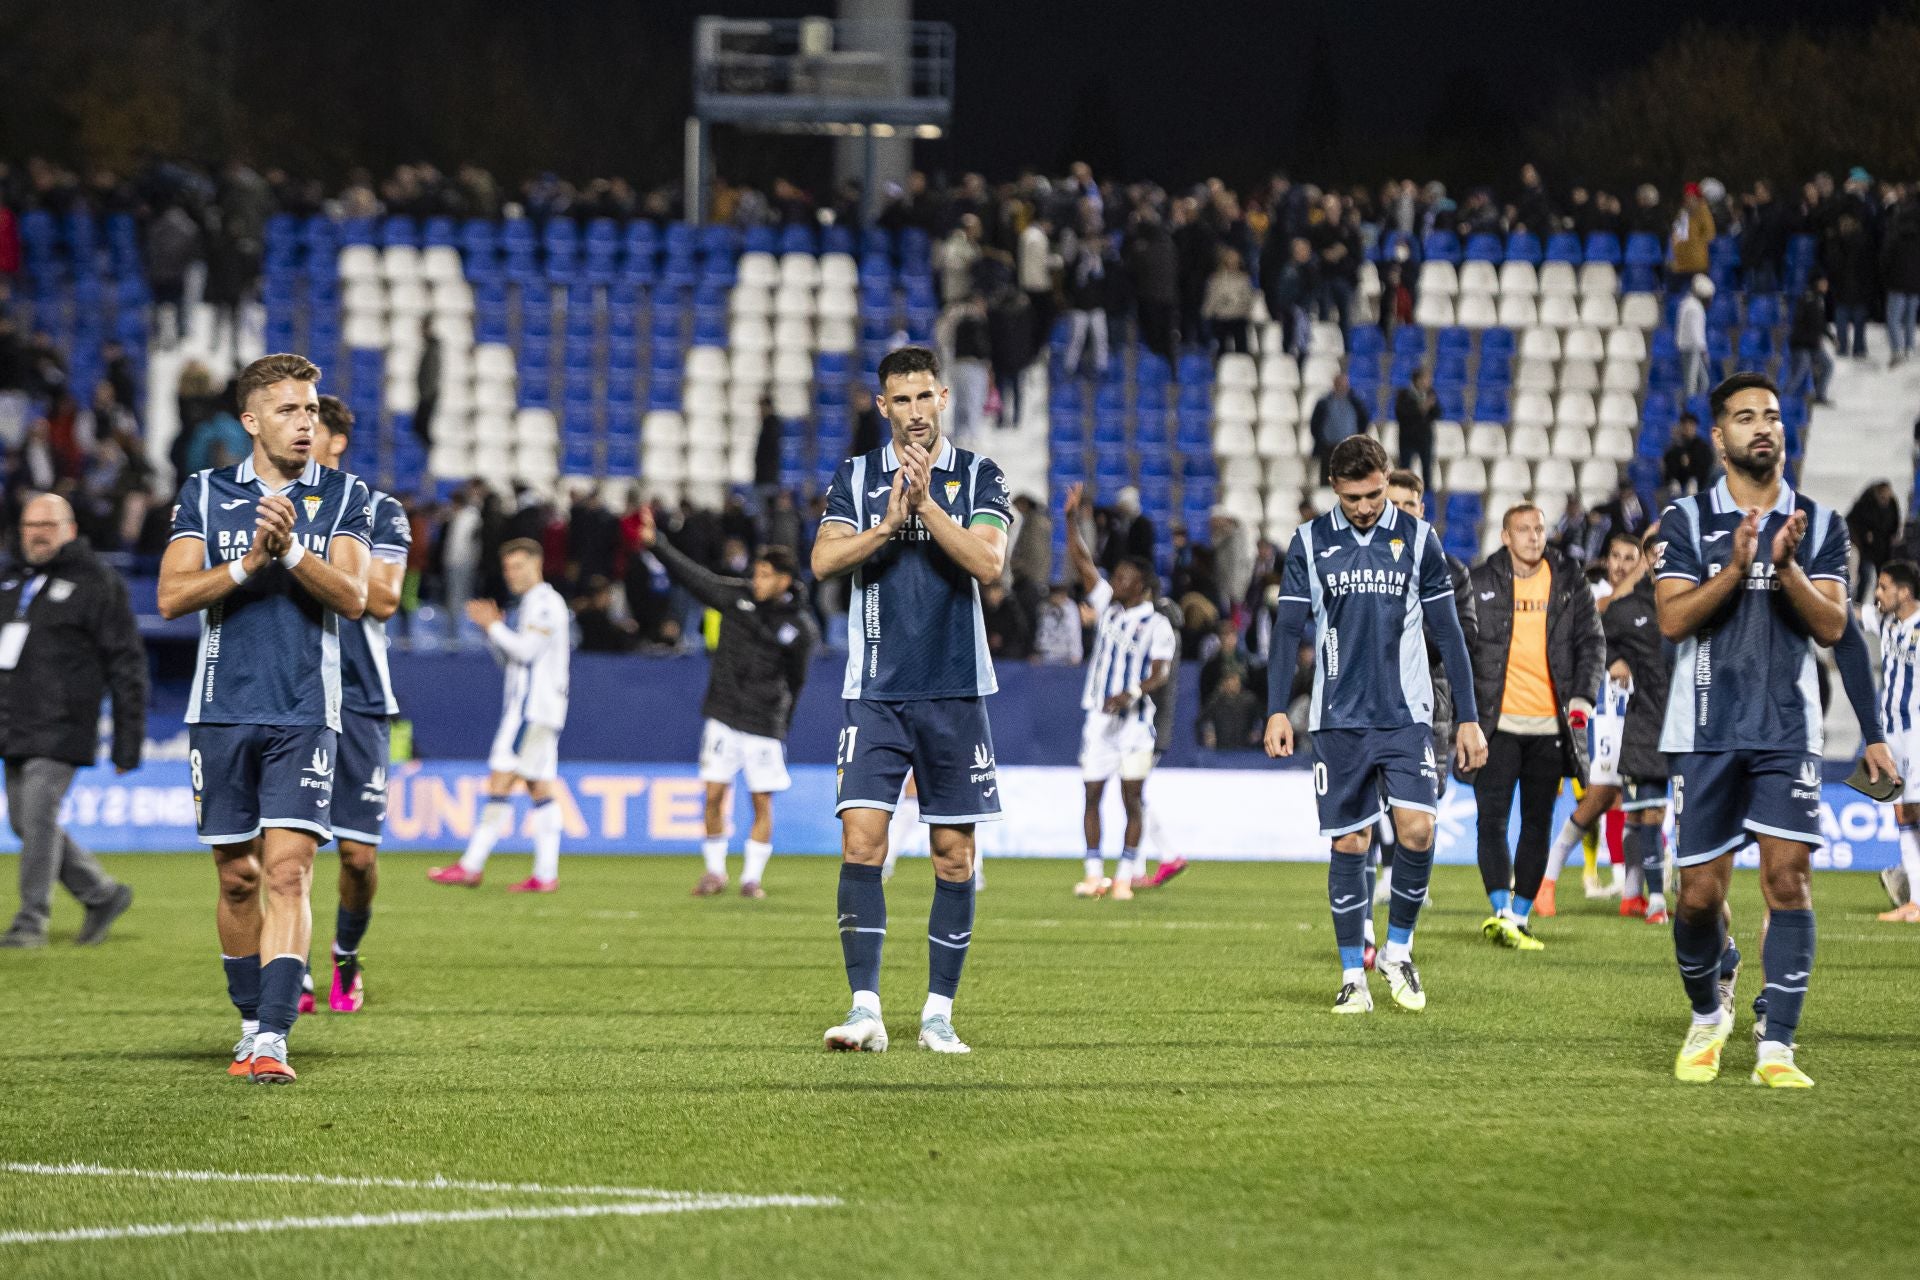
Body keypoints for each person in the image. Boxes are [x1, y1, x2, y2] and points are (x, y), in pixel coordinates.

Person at [1655, 372, 1895, 1088]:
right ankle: (1708, 1013)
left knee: (1788, 879)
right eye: (1745, 417)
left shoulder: (1819, 525)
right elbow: (1672, 619)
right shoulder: (1685, 520)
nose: (1763, 426)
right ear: (1720, 438)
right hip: (1703, 730)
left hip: (1788, 730)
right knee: (1698, 895)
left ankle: (1777, 1046)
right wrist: (1736, 569)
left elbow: (1832, 626)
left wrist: (1783, 568)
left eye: (1773, 416)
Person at [157, 353, 374, 1084]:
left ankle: (274, 1038)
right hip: (220, 711)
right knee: (238, 878)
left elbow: (354, 596)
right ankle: (249, 1020)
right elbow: (170, 596)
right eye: (288, 410)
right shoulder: (204, 493)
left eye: (311, 409)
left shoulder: (344, 495)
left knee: (287, 873)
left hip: (306, 712)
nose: (305, 422)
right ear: (251, 421)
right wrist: (252, 562)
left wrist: (294, 552)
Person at [810, 345, 1012, 1056]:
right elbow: (823, 559)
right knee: (861, 840)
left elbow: (990, 562)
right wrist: (889, 527)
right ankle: (865, 1009)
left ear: (944, 399)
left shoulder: (979, 473)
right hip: (875, 693)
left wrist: (926, 505)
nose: (916, 412)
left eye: (926, 397)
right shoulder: (857, 477)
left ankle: (937, 1014)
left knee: (953, 855)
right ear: (883, 405)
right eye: (902, 400)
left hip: (956, 692)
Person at [1264, 435, 1487, 1014]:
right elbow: (1288, 632)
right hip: (1336, 720)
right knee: (1350, 841)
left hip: (1405, 716)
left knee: (1417, 830)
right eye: (1353, 495)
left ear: (1387, 478)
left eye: (1374, 492)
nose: (1365, 506)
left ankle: (1399, 950)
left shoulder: (1417, 540)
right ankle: (1351, 978)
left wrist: (1467, 717)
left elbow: (1449, 635)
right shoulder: (1309, 544)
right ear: (1334, 487)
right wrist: (1276, 709)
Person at [296, 396, 408, 1013]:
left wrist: (296, 554)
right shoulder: (272, 507)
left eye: (312, 427)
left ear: (336, 442)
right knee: (291, 847)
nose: (301, 435)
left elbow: (384, 599)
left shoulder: (377, 509)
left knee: (359, 857)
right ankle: (297, 970)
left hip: (361, 696)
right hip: (294, 694)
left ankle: (344, 955)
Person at [0, 494, 144, 948]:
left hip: (65, 722)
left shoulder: (97, 582)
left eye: (47, 524)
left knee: (39, 816)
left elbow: (126, 662)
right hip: (14, 722)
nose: (37, 533)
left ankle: (30, 922)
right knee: (25, 821)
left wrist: (128, 740)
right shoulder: (10, 580)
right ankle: (101, 893)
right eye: (29, 525)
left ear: (70, 528)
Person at [648, 526, 818, 899]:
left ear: (784, 580)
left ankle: (751, 878)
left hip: (764, 722)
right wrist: (656, 544)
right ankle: (714, 872)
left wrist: (781, 723)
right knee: (712, 795)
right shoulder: (735, 598)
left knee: (761, 801)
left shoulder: (800, 628)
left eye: (764, 575)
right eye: (755, 573)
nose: (756, 581)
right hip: (723, 714)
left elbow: (797, 681)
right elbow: (694, 577)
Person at [1466, 502, 1605, 951]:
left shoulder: (1568, 580)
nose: (1533, 537)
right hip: (1496, 724)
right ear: (1505, 536)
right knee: (1491, 820)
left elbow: (1591, 642)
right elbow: (1461, 650)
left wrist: (1583, 697)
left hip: (1551, 726)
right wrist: (1464, 717)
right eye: (1522, 530)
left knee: (1537, 823)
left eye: (1539, 529)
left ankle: (1520, 916)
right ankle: (1500, 909)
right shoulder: (1480, 582)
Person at [1538, 532, 1670, 917]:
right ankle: (1546, 882)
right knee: (1597, 798)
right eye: (1615, 557)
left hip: (1640, 714)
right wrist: (1645, 561)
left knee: (1633, 805)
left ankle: (1631, 892)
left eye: (1630, 558)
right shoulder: (1598, 595)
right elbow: (1605, 612)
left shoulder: (1650, 600)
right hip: (1605, 718)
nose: (1621, 565)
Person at [428, 540, 572, 892]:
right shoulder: (532, 605)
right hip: (537, 708)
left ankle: (471, 864)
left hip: (531, 710)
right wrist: (493, 632)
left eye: (519, 566)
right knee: (539, 787)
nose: (513, 574)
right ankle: (545, 874)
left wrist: (493, 626)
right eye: (508, 568)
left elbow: (527, 650)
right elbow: (513, 661)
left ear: (536, 564)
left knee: (502, 780)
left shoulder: (545, 603)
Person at [1062, 483, 1177, 900]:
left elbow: (1160, 673)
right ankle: (1094, 874)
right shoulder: (1109, 604)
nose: (1117, 579)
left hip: (1134, 725)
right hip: (1098, 718)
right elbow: (1081, 562)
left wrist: (1131, 692)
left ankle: (1125, 875)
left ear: (1142, 584)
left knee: (1132, 798)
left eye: (1125, 576)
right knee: (1091, 794)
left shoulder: (1158, 624)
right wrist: (1071, 520)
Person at [1377, 469, 1478, 913]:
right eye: (1392, 505)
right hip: (1374, 695)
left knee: (1423, 794)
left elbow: (1466, 635)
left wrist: (1409, 637)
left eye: (1409, 505)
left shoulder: (1450, 570)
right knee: (1373, 791)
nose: (1400, 513)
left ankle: (1408, 881)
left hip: (1430, 698)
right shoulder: (1365, 567)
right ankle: (1384, 872)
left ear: (1424, 511)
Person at [1871, 560, 1920, 923]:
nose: (1877, 593)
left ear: (1904, 592)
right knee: (1902, 811)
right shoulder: (1885, 622)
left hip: (1917, 730)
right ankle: (1915, 901)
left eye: (1884, 587)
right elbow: (1845, 612)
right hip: (1892, 735)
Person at [1309, 373, 1371, 484]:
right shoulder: (1324, 403)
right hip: (1328, 448)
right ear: (1334, 384)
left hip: (1349, 449)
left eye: (1344, 384)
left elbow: (1364, 421)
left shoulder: (1355, 403)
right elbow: (1315, 424)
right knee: (1327, 480)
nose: (1342, 386)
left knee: (1348, 479)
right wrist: (1322, 440)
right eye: (1339, 384)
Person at [1847, 481, 1901, 605]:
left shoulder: (1891, 503)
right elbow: (1851, 521)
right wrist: (1863, 537)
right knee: (1865, 576)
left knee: (1882, 578)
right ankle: (1858, 603)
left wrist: (1894, 535)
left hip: (1883, 549)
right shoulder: (1865, 503)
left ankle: (1879, 604)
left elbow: (1895, 523)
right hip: (1866, 549)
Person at [1785, 276, 1835, 406]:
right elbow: (1804, 324)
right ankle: (1785, 397)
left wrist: (1831, 337)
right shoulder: (1807, 299)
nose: (1826, 286)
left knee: (1828, 365)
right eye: (1823, 283)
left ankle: (1820, 395)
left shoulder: (1819, 299)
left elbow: (1821, 323)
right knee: (1800, 370)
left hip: (1813, 344)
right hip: (1802, 344)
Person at [1394, 367, 1440, 493]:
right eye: (1426, 379)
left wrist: (1431, 407)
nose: (1429, 381)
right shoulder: (1404, 394)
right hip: (1408, 438)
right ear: (1418, 380)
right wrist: (1422, 408)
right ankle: (1402, 492)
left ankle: (1427, 495)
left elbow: (1438, 413)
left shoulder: (1430, 394)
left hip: (1424, 438)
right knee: (1404, 469)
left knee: (1427, 469)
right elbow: (1402, 414)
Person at [1661, 413, 1714, 497]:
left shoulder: (1702, 447)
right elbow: (1669, 464)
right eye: (1685, 424)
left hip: (1699, 484)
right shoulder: (1675, 446)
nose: (1688, 428)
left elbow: (1705, 465)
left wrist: (1695, 479)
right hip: (1679, 483)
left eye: (1691, 424)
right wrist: (1673, 479)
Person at [1676, 275, 1712, 399]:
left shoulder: (1687, 303)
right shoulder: (1695, 308)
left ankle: (1696, 404)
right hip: (1691, 348)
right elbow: (1697, 333)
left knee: (1703, 382)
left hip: (1688, 346)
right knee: (1691, 384)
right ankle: (1690, 409)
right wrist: (1704, 351)